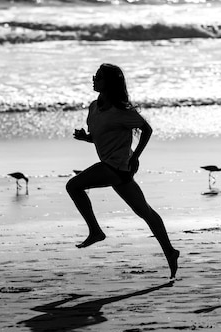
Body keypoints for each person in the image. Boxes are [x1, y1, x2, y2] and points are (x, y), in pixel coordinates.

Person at [66, 63, 180, 279]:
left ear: (108, 83)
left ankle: (95, 231)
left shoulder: (122, 111)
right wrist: (86, 138)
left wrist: (136, 156)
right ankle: (170, 252)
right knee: (145, 212)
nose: (94, 79)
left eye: (98, 77)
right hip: (116, 168)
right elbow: (102, 137)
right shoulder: (94, 107)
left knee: (73, 185)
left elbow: (147, 129)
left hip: (118, 166)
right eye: (94, 76)